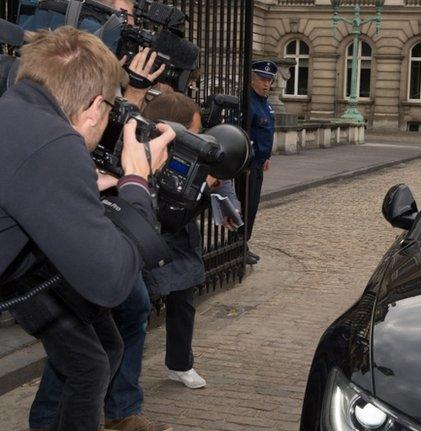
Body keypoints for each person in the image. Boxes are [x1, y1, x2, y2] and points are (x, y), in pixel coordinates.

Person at [0, 26, 174, 431]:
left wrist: (75, 185)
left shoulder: (16, 112)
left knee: (94, 357)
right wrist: (136, 180)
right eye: (112, 109)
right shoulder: (53, 141)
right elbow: (109, 282)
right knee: (91, 360)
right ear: (95, 106)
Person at [142, 92, 241, 389]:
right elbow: (165, 211)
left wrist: (225, 205)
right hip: (150, 240)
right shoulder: (148, 151)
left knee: (183, 301)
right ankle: (120, 381)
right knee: (135, 309)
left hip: (181, 240)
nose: (199, 137)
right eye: (195, 131)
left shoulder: (195, 153)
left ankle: (180, 363)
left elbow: (223, 183)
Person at [246, 59, 277, 265]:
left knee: (253, 205)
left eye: (269, 80)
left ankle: (244, 243)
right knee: (245, 204)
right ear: (252, 79)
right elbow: (244, 135)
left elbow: (266, 133)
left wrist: (267, 156)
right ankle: (238, 244)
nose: (266, 84)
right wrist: (247, 162)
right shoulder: (248, 103)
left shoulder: (265, 103)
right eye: (262, 79)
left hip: (259, 163)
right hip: (248, 166)